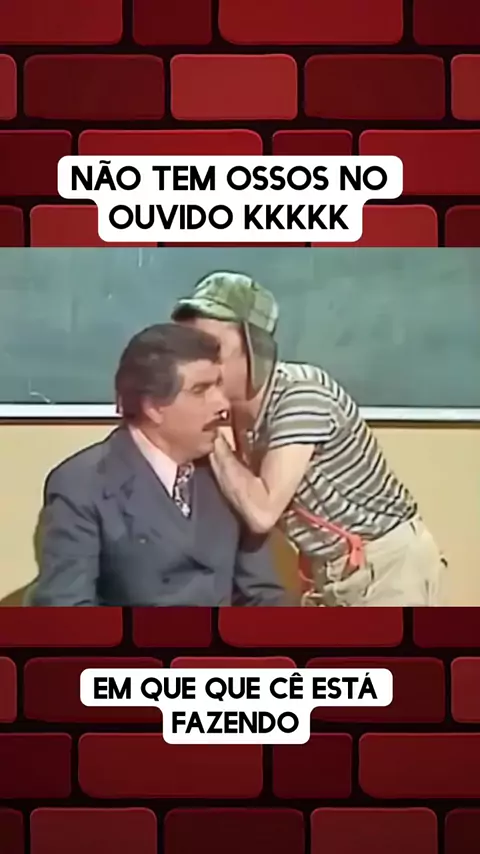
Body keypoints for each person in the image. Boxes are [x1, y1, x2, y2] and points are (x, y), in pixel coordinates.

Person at [171, 272, 448, 607]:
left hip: (387, 567)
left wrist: (210, 430)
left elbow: (261, 512)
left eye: (211, 349)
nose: (196, 363)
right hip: (329, 571)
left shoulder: (302, 396)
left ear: (255, 351)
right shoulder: (232, 410)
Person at [28, 323, 291, 607]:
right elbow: (67, 611)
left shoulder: (228, 478)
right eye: (201, 390)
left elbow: (264, 596)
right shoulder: (83, 485)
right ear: (153, 407)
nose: (222, 404)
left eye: (218, 385)